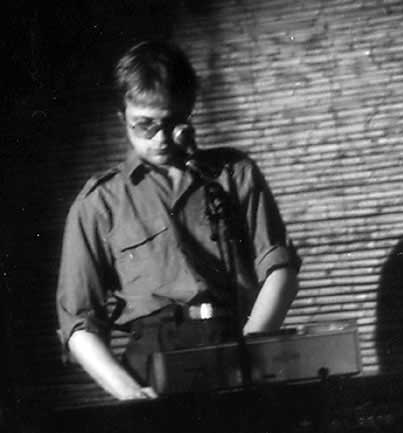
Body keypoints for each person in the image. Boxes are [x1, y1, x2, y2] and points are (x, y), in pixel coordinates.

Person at [55, 40, 300, 400]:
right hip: (152, 359)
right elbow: (78, 322)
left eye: (171, 123)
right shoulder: (99, 202)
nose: (160, 138)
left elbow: (280, 272)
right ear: (122, 117)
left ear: (189, 111)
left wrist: (250, 350)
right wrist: (129, 393)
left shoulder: (233, 175)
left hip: (234, 341)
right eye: (144, 125)